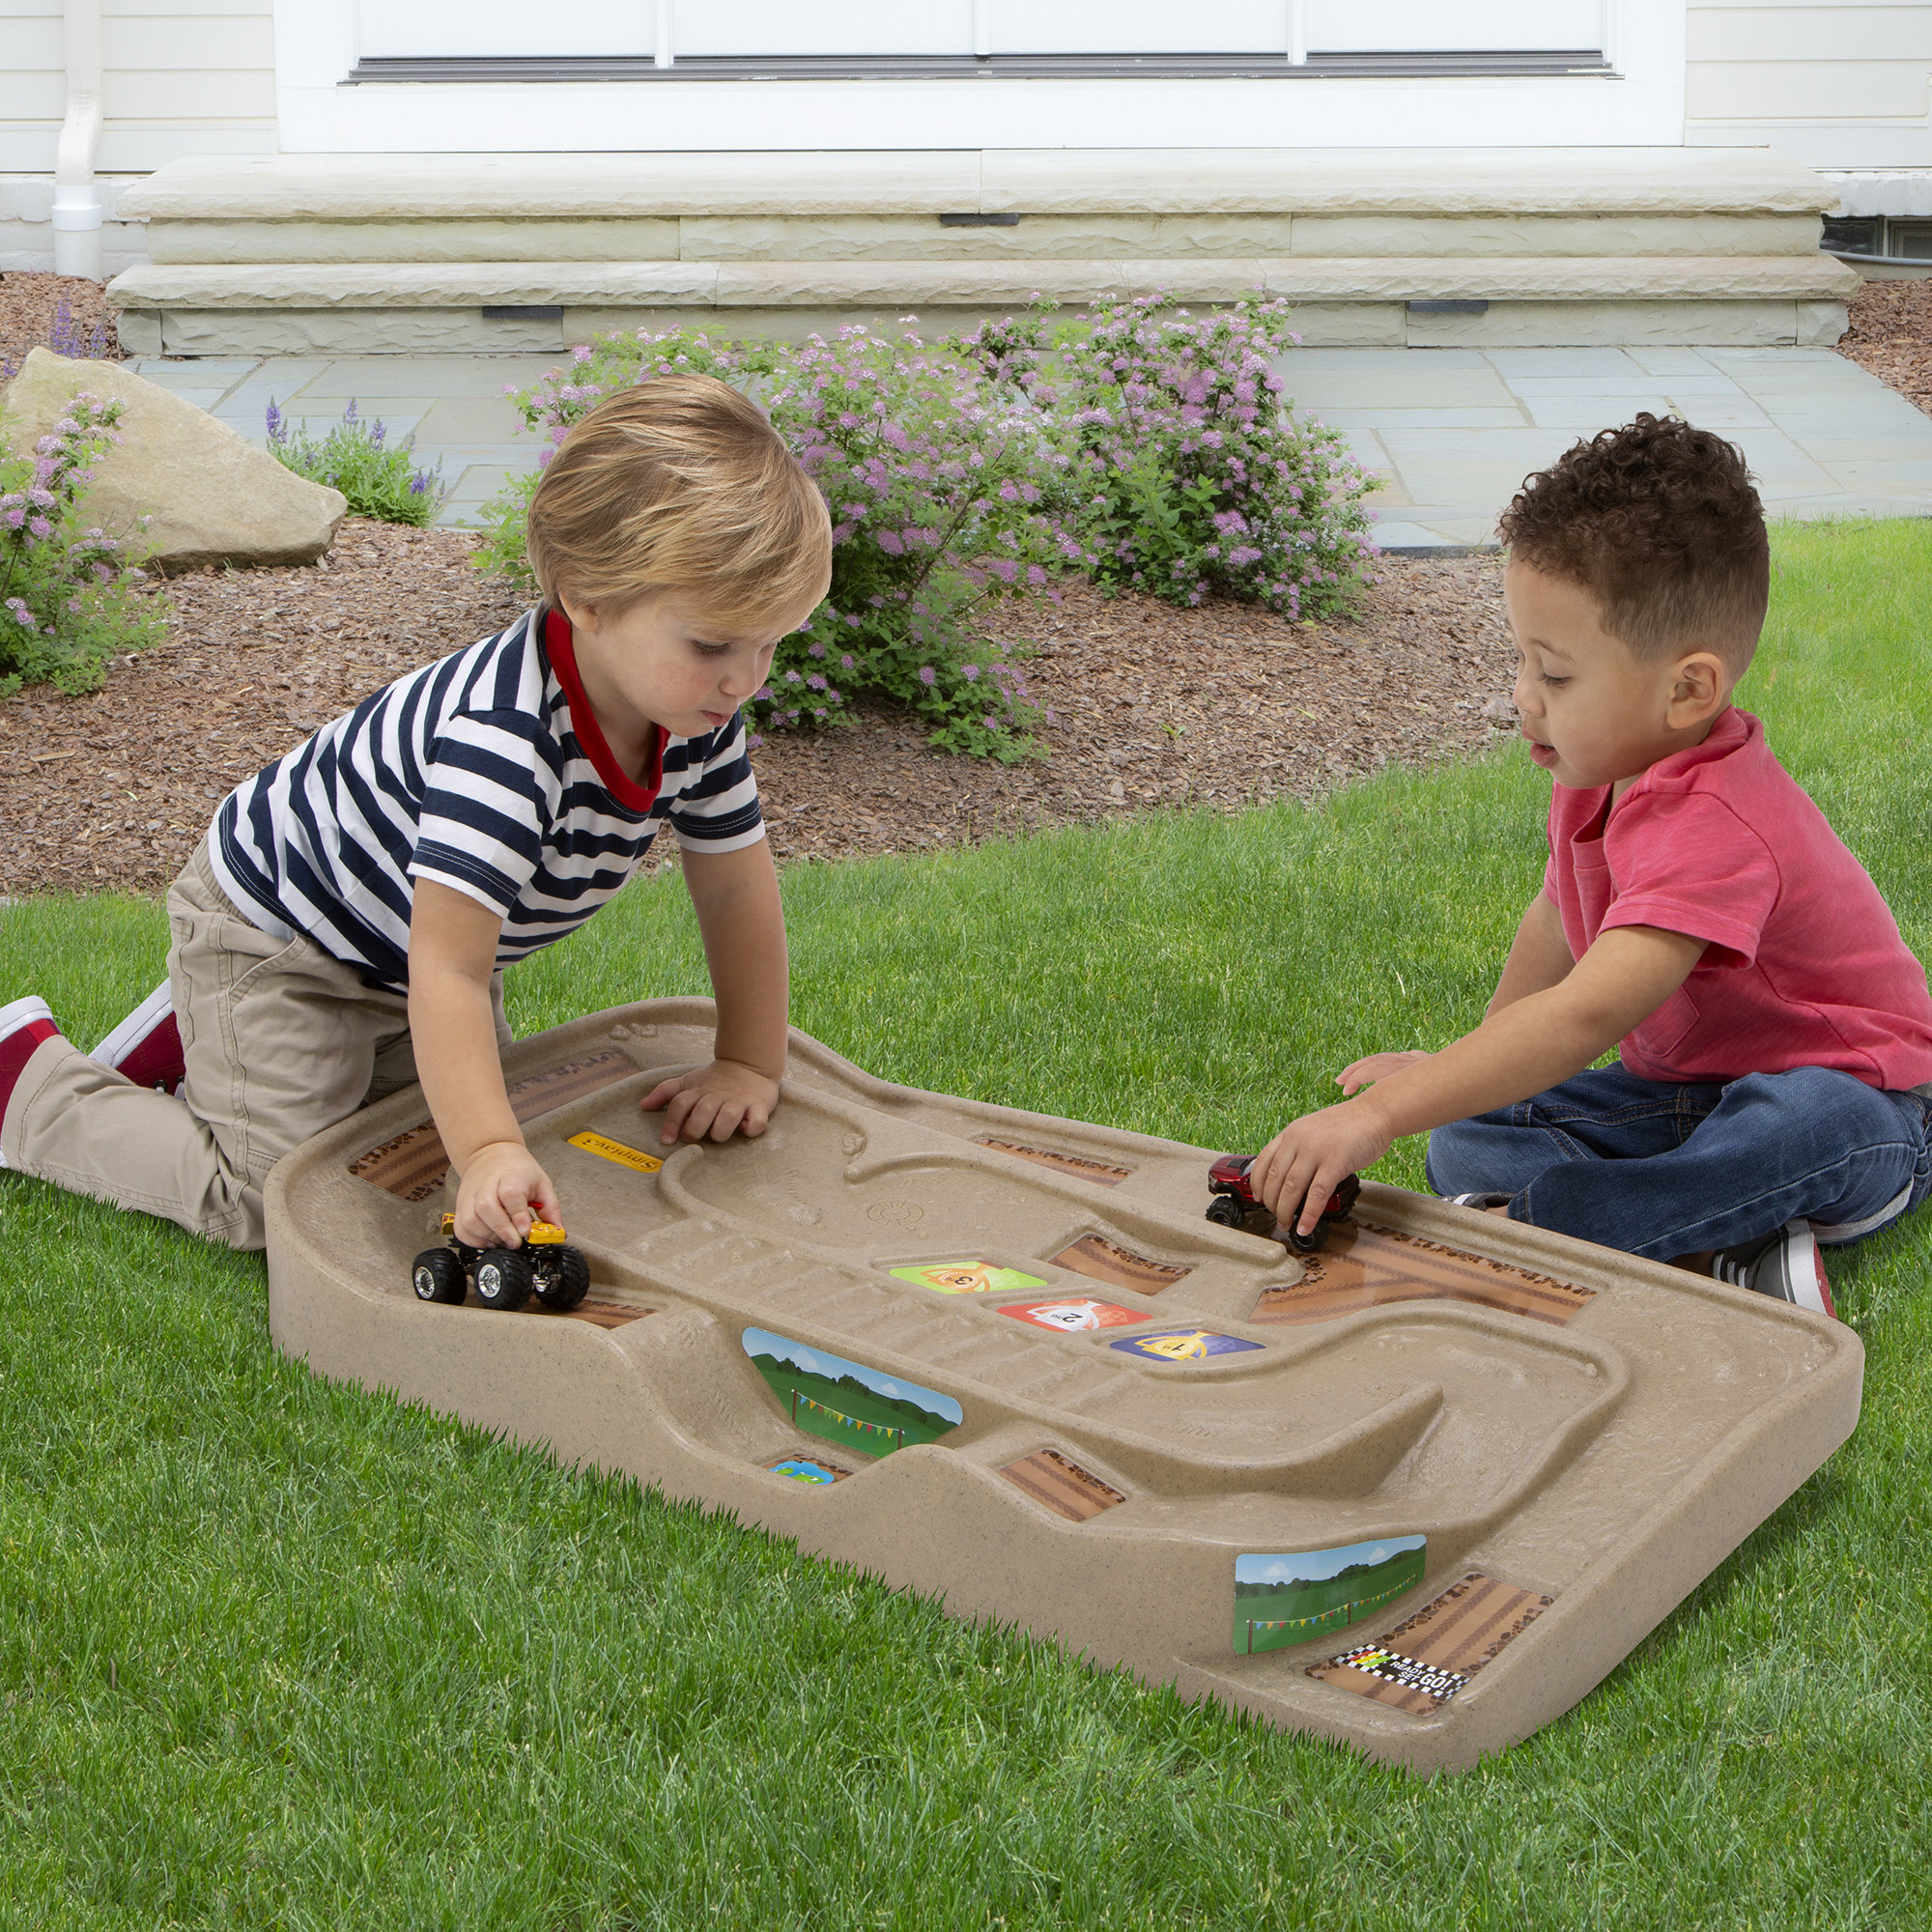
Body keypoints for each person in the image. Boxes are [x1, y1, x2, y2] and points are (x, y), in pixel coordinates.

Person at [0, 375, 832, 1252]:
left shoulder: (697, 715)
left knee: (414, 1160)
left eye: (771, 642)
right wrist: (490, 1149)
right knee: (280, 1200)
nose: (747, 680)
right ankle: (30, 1080)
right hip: (286, 943)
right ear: (589, 598)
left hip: (401, 954)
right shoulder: (507, 744)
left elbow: (737, 889)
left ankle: (202, 1041)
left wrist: (747, 1060)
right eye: (712, 644)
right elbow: (452, 972)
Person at [1246, 413, 1932, 1318]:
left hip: (1869, 1113)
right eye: (1523, 662)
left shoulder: (1716, 818)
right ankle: (1701, 1252)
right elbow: (1556, 923)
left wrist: (1378, 1116)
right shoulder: (1601, 770)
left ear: (1688, 689)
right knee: (1464, 1126)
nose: (1523, 698)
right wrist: (1452, 1069)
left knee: (1806, 1120)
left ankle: (1538, 1238)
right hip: (1683, 1101)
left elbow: (1591, 1010)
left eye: (1557, 677)